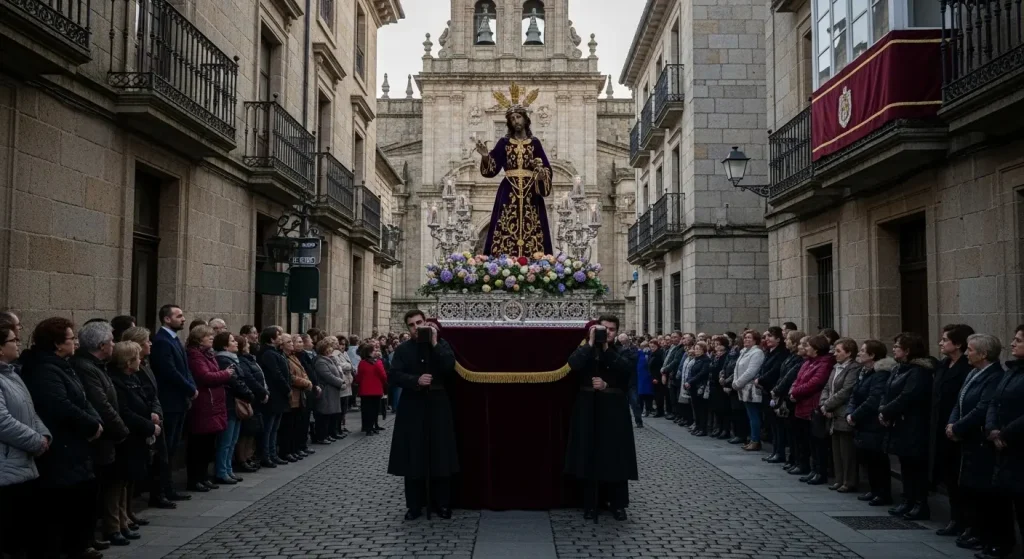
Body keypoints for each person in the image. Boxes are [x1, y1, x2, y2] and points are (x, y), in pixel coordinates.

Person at [21, 318, 104, 559]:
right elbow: (60, 405)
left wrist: (95, 421)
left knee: (81, 501)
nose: (76, 342)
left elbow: (84, 399)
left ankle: (78, 545)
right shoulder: (45, 370)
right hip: (63, 449)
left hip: (77, 448)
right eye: (71, 338)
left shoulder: (63, 366)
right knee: (61, 509)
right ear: (58, 344)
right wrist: (90, 423)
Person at [564, 315, 638, 521]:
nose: (607, 333)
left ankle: (618, 504)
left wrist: (607, 383)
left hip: (614, 411)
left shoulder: (624, 351)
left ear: (616, 331)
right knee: (589, 453)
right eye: (603, 329)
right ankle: (590, 503)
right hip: (588, 408)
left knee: (616, 456)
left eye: (611, 330)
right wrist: (590, 344)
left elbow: (626, 370)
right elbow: (573, 364)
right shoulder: (586, 350)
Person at [387, 310, 460, 521]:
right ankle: (414, 505)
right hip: (413, 407)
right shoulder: (403, 349)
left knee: (440, 454)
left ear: (426, 322)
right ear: (407, 328)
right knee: (413, 456)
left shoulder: (442, 345)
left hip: (438, 406)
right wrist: (415, 380)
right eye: (412, 325)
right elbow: (395, 375)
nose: (416, 327)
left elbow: (449, 367)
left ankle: (443, 503)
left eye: (420, 322)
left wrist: (435, 342)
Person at [70, 321, 130, 550]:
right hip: (100, 438)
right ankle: (90, 537)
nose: (114, 344)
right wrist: (121, 430)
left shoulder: (97, 365)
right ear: (102, 345)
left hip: (108, 437)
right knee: (97, 488)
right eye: (112, 341)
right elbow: (101, 404)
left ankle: (93, 535)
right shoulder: (86, 367)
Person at [476, 85, 554, 257]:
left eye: (518, 117)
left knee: (533, 226)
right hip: (508, 190)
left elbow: (547, 169)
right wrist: (485, 156)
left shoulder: (535, 144)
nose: (516, 121)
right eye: (512, 119)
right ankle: (502, 261)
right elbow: (492, 169)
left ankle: (535, 262)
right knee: (504, 226)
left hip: (531, 192)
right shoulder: (504, 143)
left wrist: (541, 174)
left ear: (525, 119)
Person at [947, 333, 1002, 554]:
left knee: (981, 490)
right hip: (966, 439)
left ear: (983, 354)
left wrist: (958, 427)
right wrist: (952, 423)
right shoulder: (973, 373)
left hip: (979, 441)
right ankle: (974, 528)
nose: (967, 353)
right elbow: (959, 401)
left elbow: (982, 408)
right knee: (968, 488)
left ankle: (983, 532)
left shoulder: (994, 376)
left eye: (970, 350)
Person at [0, 324, 51, 558]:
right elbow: (3, 422)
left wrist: (44, 434)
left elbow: (30, 410)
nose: (18, 343)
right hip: (7, 468)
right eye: (13, 340)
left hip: (24, 466)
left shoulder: (12, 374)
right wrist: (36, 442)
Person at [105, 341, 160, 546]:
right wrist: (148, 425)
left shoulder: (133, 378)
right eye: (137, 358)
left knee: (127, 480)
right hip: (126, 437)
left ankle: (124, 519)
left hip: (136, 437)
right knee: (117, 482)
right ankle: (115, 523)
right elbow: (126, 412)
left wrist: (152, 415)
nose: (141, 361)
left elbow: (146, 400)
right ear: (129, 361)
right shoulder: (118, 381)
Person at [879, 333, 935, 520]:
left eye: (897, 346)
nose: (893, 348)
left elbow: (908, 396)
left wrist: (887, 411)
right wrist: (883, 409)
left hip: (913, 424)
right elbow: (887, 392)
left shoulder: (918, 372)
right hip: (898, 423)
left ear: (908, 350)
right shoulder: (898, 369)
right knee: (905, 464)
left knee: (915, 465)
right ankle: (907, 499)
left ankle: (920, 502)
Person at [120, 326, 175, 510]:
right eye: (146, 341)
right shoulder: (132, 368)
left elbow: (153, 395)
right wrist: (150, 415)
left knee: (162, 457)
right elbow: (141, 396)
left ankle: (162, 491)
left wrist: (157, 411)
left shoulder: (145, 364)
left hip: (154, 416)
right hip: (144, 421)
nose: (150, 343)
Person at [981, 326, 1024, 559]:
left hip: (1017, 446)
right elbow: (993, 403)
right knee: (1001, 500)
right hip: (1002, 448)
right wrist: (992, 428)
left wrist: (1003, 434)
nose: (1013, 343)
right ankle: (1002, 544)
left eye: (1018, 340)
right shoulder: (1010, 372)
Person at [932, 324, 975, 538]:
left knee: (961, 479)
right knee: (949, 477)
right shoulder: (943, 365)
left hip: (958, 429)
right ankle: (956, 518)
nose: (940, 343)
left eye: (944, 340)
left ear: (958, 344)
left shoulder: (967, 368)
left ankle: (967, 522)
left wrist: (955, 424)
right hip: (941, 427)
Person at [149, 304, 196, 501]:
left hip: (179, 401)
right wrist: (188, 387)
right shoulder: (162, 341)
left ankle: (168, 489)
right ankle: (159, 491)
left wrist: (191, 386)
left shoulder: (174, 340)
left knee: (173, 447)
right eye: (179, 316)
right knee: (165, 449)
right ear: (167, 319)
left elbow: (184, 369)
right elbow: (169, 371)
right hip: (170, 401)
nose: (183, 319)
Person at [185, 325, 233, 492]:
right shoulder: (195, 356)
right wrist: (225, 374)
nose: (212, 338)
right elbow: (205, 377)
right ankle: (195, 479)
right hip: (204, 405)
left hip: (214, 405)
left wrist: (221, 374)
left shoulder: (208, 355)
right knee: (199, 445)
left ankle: (204, 477)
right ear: (199, 339)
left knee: (208, 445)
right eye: (208, 336)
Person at [846, 340, 893, 506]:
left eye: (863, 351)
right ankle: (874, 490)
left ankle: (882, 492)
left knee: (877, 459)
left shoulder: (880, 374)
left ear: (872, 355)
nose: (859, 353)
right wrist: (850, 412)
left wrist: (855, 415)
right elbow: (855, 393)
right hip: (862, 422)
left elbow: (873, 399)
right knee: (868, 458)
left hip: (873, 423)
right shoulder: (864, 372)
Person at [789, 335, 835, 482]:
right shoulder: (808, 362)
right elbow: (798, 379)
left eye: (808, 346)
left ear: (816, 349)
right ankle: (810, 468)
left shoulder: (825, 363)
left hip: (812, 406)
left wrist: (795, 392)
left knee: (818, 442)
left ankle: (820, 471)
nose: (805, 348)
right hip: (801, 404)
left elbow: (815, 383)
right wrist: (793, 390)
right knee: (806, 440)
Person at [820, 337, 862, 492]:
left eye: (838, 351)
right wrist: (824, 403)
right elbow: (826, 387)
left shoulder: (853, 368)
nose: (834, 354)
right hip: (832, 412)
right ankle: (839, 479)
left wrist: (828, 404)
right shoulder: (835, 367)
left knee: (847, 451)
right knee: (836, 449)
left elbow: (846, 390)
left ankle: (849, 480)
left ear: (849, 353)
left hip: (843, 411)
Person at [212, 332, 254, 485]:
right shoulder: (223, 359)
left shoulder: (232, 359)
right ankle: (222, 471)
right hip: (230, 404)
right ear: (224, 345)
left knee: (233, 440)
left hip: (236, 403)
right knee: (226, 441)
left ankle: (228, 469)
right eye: (232, 341)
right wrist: (249, 394)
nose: (236, 343)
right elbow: (234, 381)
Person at [257, 327, 291, 468]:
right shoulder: (268, 354)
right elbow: (276, 374)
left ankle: (272, 454)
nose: (280, 337)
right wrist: (287, 388)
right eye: (278, 335)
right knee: (269, 428)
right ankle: (266, 455)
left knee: (274, 427)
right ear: (271, 339)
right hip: (274, 395)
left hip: (279, 396)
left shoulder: (274, 352)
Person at [234, 335, 268, 472]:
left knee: (252, 431)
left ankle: (248, 456)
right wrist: (261, 392)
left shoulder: (250, 359)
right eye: (246, 343)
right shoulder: (242, 361)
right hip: (249, 399)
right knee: (246, 432)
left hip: (256, 398)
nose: (249, 345)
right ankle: (242, 459)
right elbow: (249, 379)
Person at [756, 327, 790, 461]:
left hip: (775, 391)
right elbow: (763, 368)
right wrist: (759, 378)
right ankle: (775, 451)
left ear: (778, 339)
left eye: (770, 336)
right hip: (766, 390)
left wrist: (761, 380)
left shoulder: (781, 353)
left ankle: (779, 452)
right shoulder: (769, 352)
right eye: (767, 336)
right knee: (773, 424)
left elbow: (775, 371)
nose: (767, 339)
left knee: (778, 425)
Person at [771, 331, 805, 466]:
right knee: (786, 429)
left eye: (788, 339)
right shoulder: (790, 357)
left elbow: (789, 377)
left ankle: (795, 460)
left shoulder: (798, 359)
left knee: (794, 432)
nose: (785, 341)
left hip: (789, 397)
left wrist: (778, 389)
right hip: (782, 395)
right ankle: (790, 457)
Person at [280, 335, 313, 462]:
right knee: (289, 426)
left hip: (300, 395)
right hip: (293, 395)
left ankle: (295, 449)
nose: (293, 345)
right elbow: (291, 377)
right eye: (290, 342)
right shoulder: (286, 358)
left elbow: (303, 371)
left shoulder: (293, 357)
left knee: (296, 425)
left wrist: (307, 380)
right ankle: (288, 450)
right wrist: (306, 383)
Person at [732, 331, 766, 451]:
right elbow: (737, 368)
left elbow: (751, 371)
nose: (746, 340)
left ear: (755, 340)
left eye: (749, 338)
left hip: (750, 388)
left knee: (754, 415)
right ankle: (751, 438)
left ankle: (755, 440)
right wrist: (735, 382)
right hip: (742, 388)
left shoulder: (757, 353)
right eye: (745, 337)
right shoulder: (743, 351)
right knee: (749, 415)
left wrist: (738, 383)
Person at [313, 337, 346, 444]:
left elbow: (338, 371)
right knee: (324, 415)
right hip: (327, 391)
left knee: (330, 415)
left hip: (333, 391)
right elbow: (328, 376)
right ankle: (321, 436)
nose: (331, 350)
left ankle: (328, 434)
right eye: (328, 348)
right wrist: (340, 383)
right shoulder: (320, 361)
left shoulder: (330, 359)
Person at [355, 342, 387, 436]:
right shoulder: (377, 362)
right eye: (373, 351)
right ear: (369, 353)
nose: (375, 352)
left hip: (364, 391)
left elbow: (359, 376)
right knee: (374, 410)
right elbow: (383, 376)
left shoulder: (362, 363)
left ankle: (367, 428)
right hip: (376, 390)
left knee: (366, 410)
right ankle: (372, 427)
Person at [684, 341, 711, 436]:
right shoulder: (696, 359)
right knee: (696, 408)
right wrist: (687, 382)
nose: (697, 351)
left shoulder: (706, 360)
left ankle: (703, 428)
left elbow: (702, 373)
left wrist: (690, 381)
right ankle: (698, 426)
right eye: (696, 349)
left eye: (699, 349)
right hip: (693, 387)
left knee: (702, 409)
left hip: (700, 387)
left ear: (704, 350)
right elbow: (691, 372)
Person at [332, 335, 355, 437]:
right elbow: (340, 365)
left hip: (348, 382)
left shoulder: (345, 353)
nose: (342, 346)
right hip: (342, 382)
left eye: (344, 344)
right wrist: (350, 366)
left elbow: (349, 364)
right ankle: (337, 428)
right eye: (340, 344)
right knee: (340, 408)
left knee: (344, 407)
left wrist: (351, 366)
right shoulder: (335, 354)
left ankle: (342, 426)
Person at [648, 338, 666, 417]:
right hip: (653, 376)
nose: (652, 348)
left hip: (657, 377)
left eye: (653, 347)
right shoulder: (653, 354)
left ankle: (660, 411)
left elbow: (659, 367)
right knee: (656, 395)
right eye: (651, 347)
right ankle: (659, 410)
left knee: (659, 395)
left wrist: (656, 378)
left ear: (657, 346)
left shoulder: (658, 354)